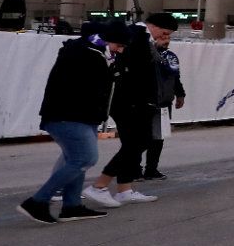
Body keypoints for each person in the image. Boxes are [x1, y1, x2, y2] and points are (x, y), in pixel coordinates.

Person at [17, 20, 124, 224]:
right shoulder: (86, 55)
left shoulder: (92, 53)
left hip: (80, 116)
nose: (120, 50)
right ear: (104, 40)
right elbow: (91, 88)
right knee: (84, 159)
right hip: (69, 116)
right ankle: (38, 201)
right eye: (118, 46)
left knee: (75, 160)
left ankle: (72, 205)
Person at [83, 21, 160, 210]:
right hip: (130, 102)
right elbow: (135, 73)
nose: (166, 37)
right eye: (165, 32)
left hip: (132, 101)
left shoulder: (141, 38)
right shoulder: (137, 37)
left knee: (135, 143)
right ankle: (100, 184)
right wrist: (143, 101)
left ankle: (124, 188)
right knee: (138, 142)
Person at [138, 12, 186, 183]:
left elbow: (175, 76)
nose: (166, 40)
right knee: (142, 136)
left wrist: (180, 94)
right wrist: (155, 49)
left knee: (158, 137)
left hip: (164, 102)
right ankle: (135, 168)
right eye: (164, 35)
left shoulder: (170, 57)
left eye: (169, 38)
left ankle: (151, 168)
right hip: (148, 100)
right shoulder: (148, 52)